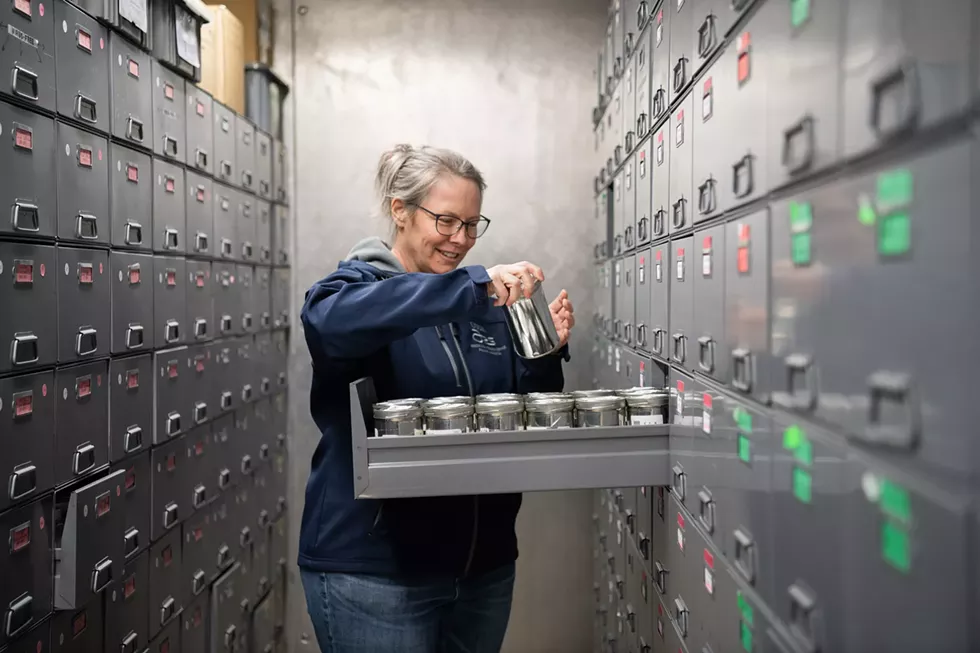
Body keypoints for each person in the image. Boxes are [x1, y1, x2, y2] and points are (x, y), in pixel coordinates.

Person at [298, 144, 575, 653]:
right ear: (400, 210)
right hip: (377, 575)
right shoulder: (354, 290)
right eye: (446, 221)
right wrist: (470, 286)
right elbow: (328, 326)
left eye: (472, 225)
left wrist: (542, 353)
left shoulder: (482, 305)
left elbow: (521, 408)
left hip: (481, 569)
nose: (460, 240)